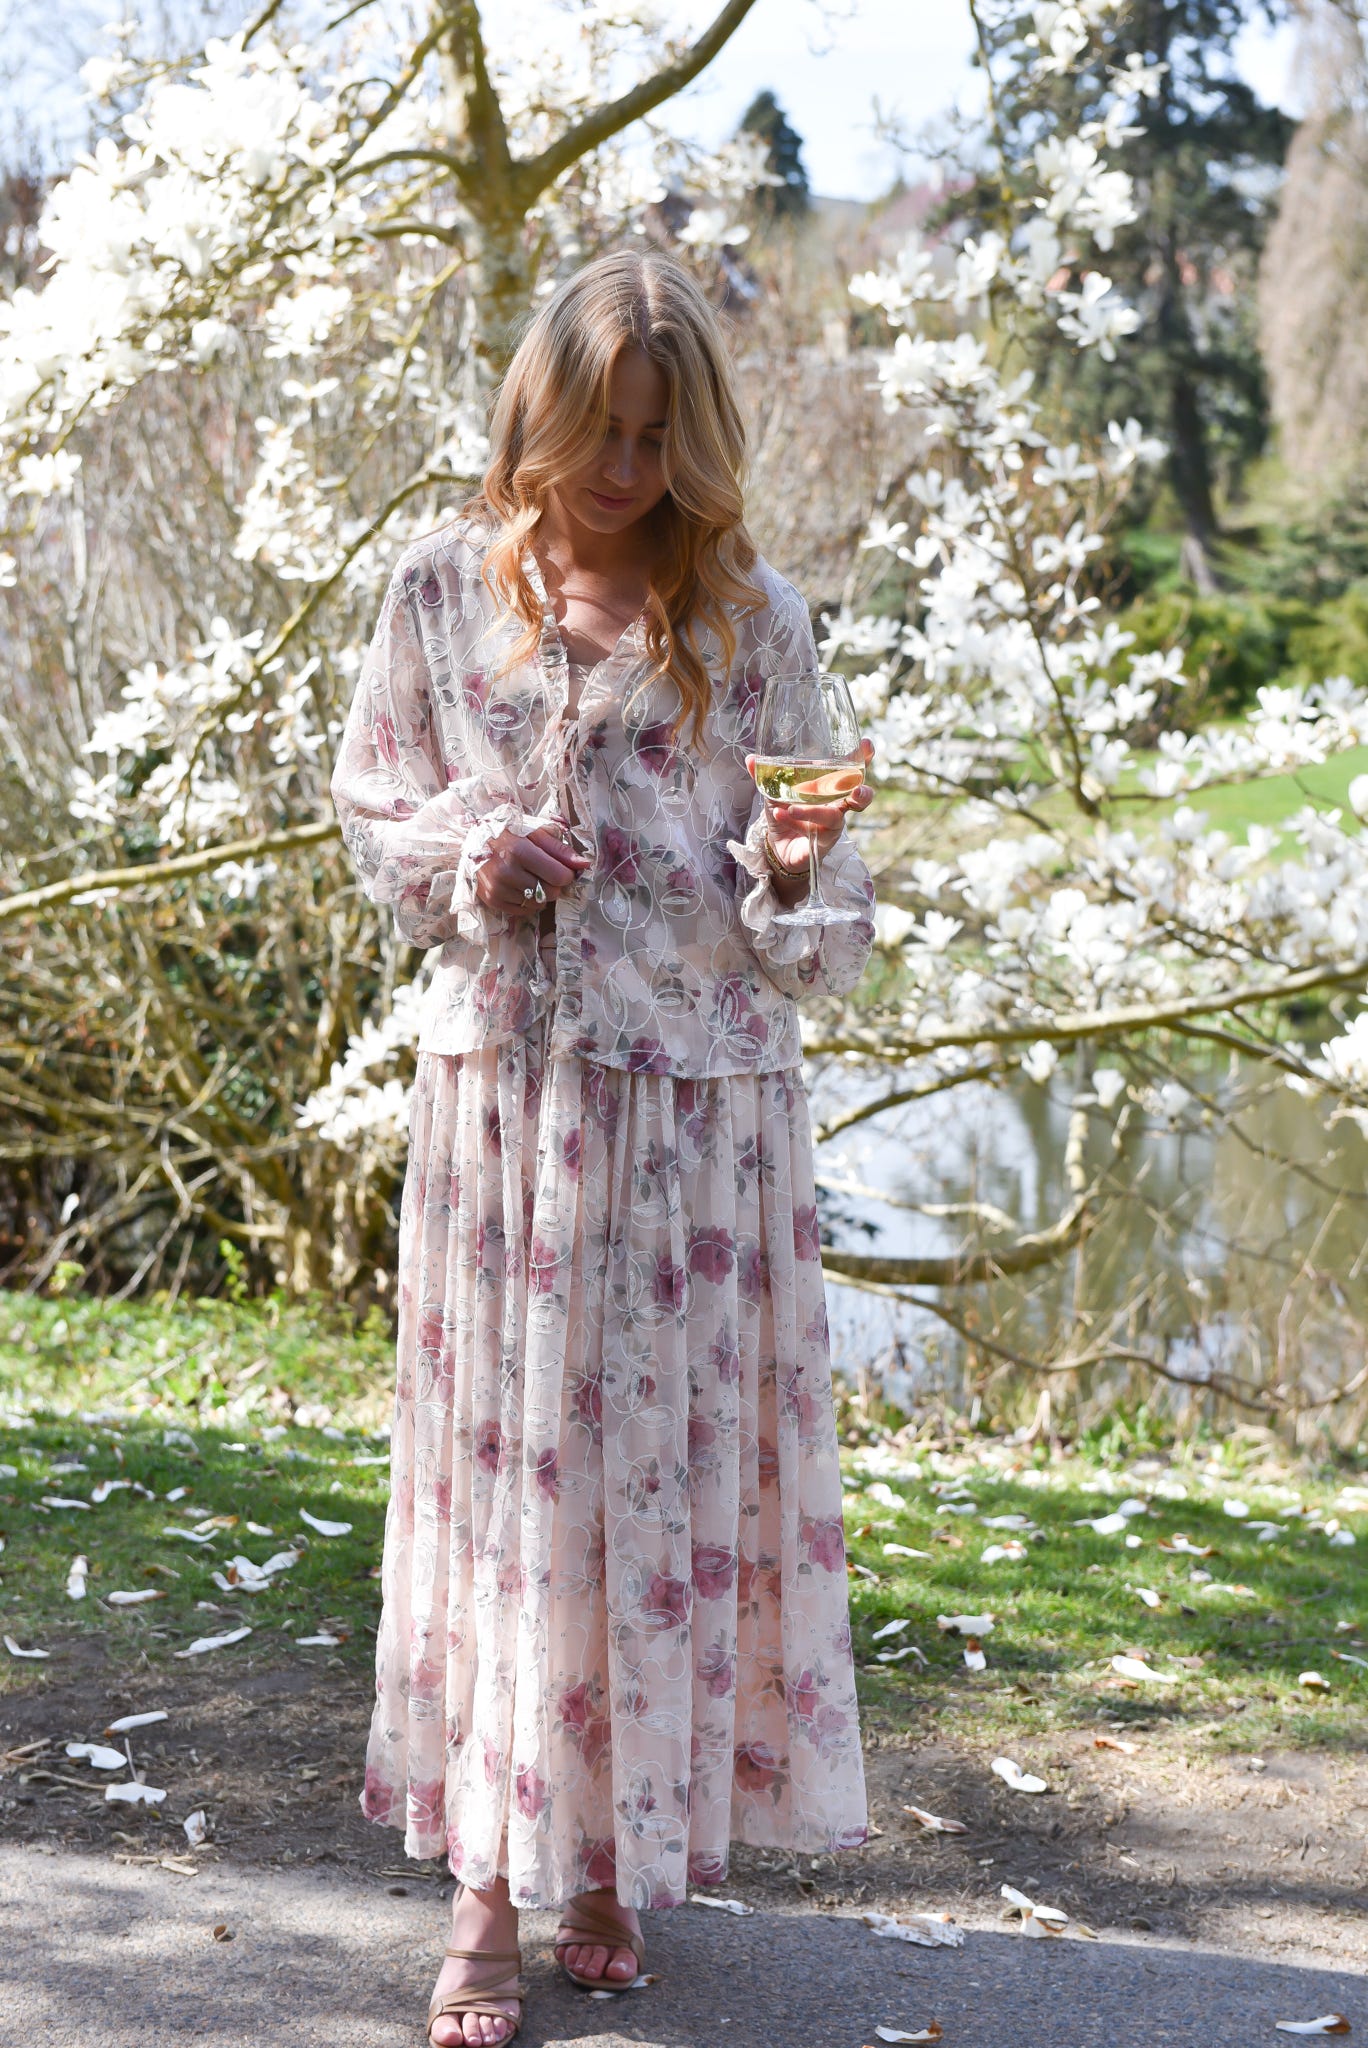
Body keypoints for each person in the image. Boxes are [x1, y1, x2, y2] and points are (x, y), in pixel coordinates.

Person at [331, 248, 878, 2047]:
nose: (625, 471)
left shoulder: (752, 619)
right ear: (538, 414)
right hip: (508, 1112)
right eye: (598, 431)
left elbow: (820, 923)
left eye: (656, 437)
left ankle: (610, 1863)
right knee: (512, 1497)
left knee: (652, 1501)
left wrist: (792, 869)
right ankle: (488, 1890)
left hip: (699, 1123)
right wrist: (479, 856)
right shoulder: (440, 590)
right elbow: (378, 809)